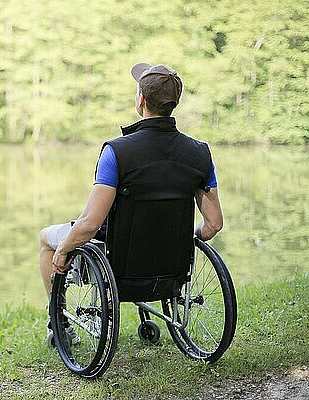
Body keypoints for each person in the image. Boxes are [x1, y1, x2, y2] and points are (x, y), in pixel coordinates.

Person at [39, 63, 223, 346]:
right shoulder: (200, 154)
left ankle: (60, 325)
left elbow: (90, 224)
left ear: (141, 100)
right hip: (170, 268)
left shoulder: (116, 152)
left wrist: (63, 250)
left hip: (119, 267)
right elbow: (213, 225)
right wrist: (184, 240)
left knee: (46, 239)